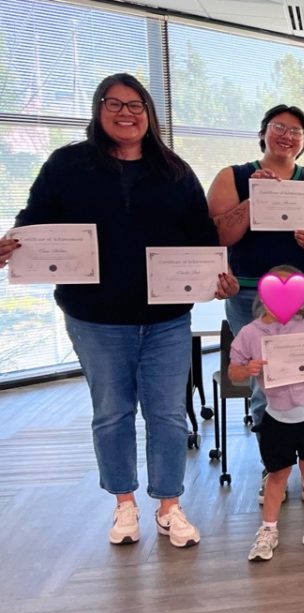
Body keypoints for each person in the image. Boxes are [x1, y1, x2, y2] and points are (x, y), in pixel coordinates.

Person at [6, 73, 237, 547]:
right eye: (115, 104)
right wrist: (14, 244)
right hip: (94, 317)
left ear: (148, 114)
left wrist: (216, 277)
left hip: (167, 318)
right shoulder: (66, 165)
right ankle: (124, 505)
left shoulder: (174, 170)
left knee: (168, 414)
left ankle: (169, 506)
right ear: (98, 110)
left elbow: (201, 238)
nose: (126, 113)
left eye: (136, 105)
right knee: (111, 412)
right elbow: (32, 222)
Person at [206, 104, 304, 503]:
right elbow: (220, 236)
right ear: (263, 132)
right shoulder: (234, 177)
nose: (287, 136)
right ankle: (275, 466)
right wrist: (255, 196)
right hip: (251, 294)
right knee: (266, 380)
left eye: (296, 132)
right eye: (279, 127)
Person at [228, 265, 304, 560]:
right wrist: (248, 369)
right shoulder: (249, 333)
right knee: (277, 474)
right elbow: (233, 373)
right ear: (263, 295)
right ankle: (268, 530)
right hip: (278, 415)